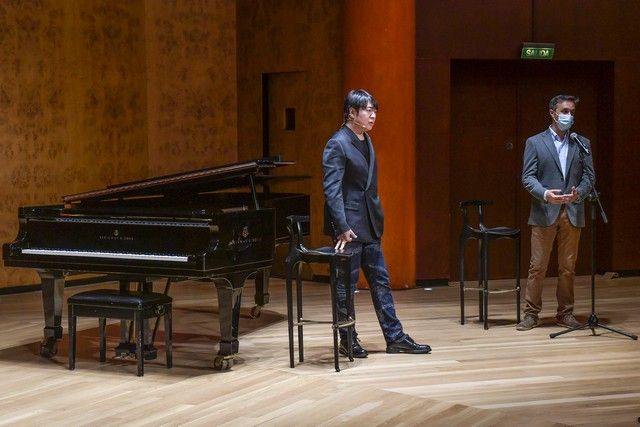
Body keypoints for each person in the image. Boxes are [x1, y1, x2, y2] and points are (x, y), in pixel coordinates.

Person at [322, 89, 431, 356]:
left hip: (370, 225)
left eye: (374, 110)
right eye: (368, 110)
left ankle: (395, 337)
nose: (373, 115)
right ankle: (348, 339)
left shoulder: (366, 139)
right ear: (351, 112)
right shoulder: (337, 143)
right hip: (348, 229)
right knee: (345, 287)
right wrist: (342, 225)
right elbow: (332, 188)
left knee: (381, 282)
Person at [517, 94, 595, 331]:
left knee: (567, 268)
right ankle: (531, 314)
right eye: (564, 111)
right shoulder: (535, 142)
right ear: (552, 112)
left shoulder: (581, 143)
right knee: (537, 266)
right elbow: (527, 177)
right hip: (545, 210)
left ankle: (566, 313)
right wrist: (545, 194)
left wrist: (578, 193)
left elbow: (589, 177)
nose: (568, 116)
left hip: (572, 211)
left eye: (571, 112)